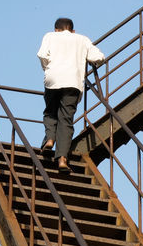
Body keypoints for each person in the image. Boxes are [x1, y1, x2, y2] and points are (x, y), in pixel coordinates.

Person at [37, 17, 105, 171]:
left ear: (56, 29)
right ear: (73, 30)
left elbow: (42, 55)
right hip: (73, 81)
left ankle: (49, 139)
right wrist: (94, 63)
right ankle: (62, 160)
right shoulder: (82, 39)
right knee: (66, 120)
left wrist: (47, 69)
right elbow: (99, 57)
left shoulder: (50, 36)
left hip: (53, 79)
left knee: (50, 112)